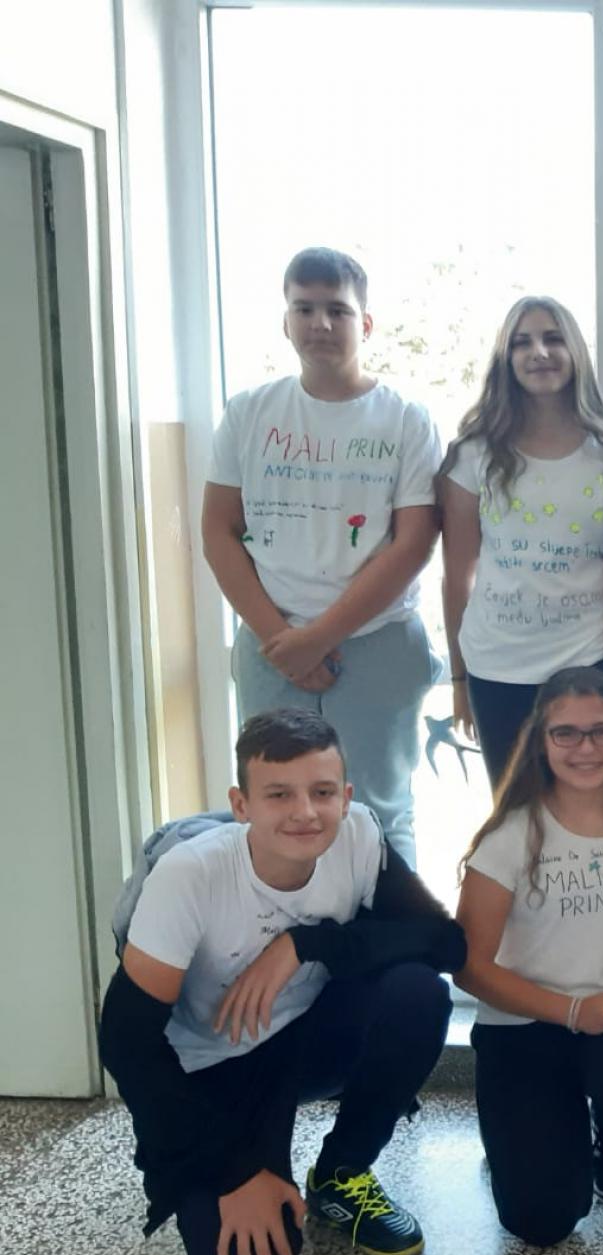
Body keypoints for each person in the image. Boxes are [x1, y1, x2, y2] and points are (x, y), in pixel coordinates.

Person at [98, 709, 462, 1255]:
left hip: (306, 1039)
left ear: (346, 796)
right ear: (241, 804)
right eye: (279, 794)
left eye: (322, 792)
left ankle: (342, 1172)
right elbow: (126, 1043)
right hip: (210, 1066)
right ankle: (250, 1162)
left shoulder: (358, 836)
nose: (305, 812)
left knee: (418, 992)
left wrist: (305, 944)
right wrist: (236, 1171)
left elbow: (444, 943)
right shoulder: (189, 875)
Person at [201, 247, 441, 865]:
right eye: (304, 309)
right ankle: (294, 931)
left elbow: (414, 542)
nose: (320, 323)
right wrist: (280, 637)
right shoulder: (248, 413)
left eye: (337, 309)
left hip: (378, 643)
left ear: (366, 324)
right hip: (270, 645)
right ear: (285, 322)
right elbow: (219, 530)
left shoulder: (406, 420)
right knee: (278, 811)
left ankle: (391, 930)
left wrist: (319, 637)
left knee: (379, 812)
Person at [453, 666, 603, 1247]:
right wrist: (572, 1012)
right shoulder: (509, 838)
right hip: (523, 1025)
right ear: (541, 740)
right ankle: (533, 1135)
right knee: (541, 1221)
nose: (587, 748)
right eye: (567, 733)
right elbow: (469, 967)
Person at [440, 297, 603, 784]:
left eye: (553, 339)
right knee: (518, 814)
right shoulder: (473, 454)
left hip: (588, 662)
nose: (539, 353)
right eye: (522, 343)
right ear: (505, 359)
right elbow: (457, 575)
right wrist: (459, 680)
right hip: (496, 669)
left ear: (575, 353)